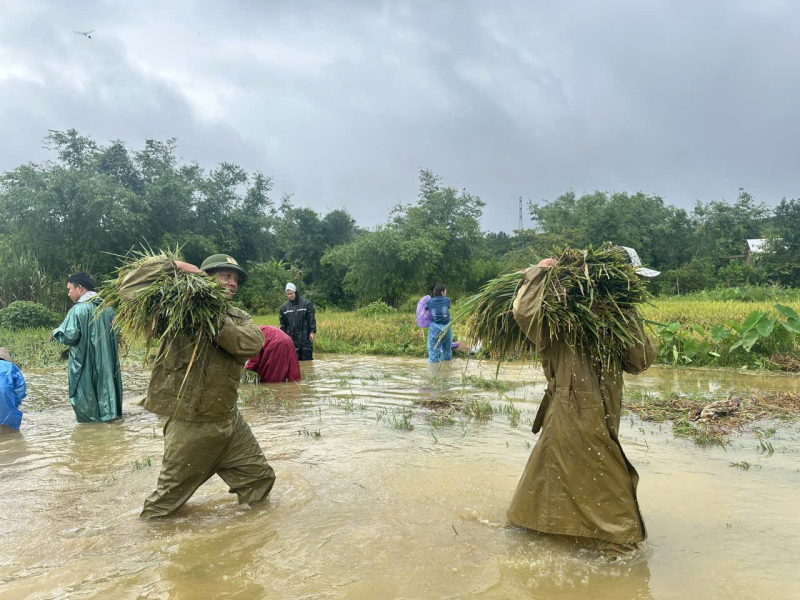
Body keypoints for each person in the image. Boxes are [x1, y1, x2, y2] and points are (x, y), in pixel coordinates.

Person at [506, 247, 658, 558]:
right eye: (633, 283)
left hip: (599, 412)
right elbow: (524, 313)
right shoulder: (560, 316)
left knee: (552, 472)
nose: (637, 290)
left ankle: (532, 529)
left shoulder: (616, 320)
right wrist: (538, 273)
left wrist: (624, 315)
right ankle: (618, 550)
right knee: (619, 514)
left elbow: (640, 360)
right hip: (572, 410)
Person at [119, 253, 275, 518]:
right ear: (205, 278)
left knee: (259, 479)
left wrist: (210, 316)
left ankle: (248, 533)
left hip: (229, 422)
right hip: (191, 423)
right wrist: (175, 266)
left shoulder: (238, 317)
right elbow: (128, 289)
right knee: (164, 506)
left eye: (235, 279)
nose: (233, 283)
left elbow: (251, 344)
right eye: (226, 276)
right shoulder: (176, 311)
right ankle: (148, 542)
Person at [52, 272, 123, 423]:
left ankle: (91, 424)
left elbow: (69, 336)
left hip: (87, 363)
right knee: (106, 386)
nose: (68, 293)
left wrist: (56, 333)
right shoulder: (107, 308)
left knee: (86, 394)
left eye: (69, 289)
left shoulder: (78, 310)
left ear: (80, 288)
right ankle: (109, 417)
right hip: (106, 361)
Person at [279, 283, 316, 361]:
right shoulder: (284, 307)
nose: (290, 296)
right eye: (288, 294)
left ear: (295, 292)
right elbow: (283, 324)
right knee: (293, 360)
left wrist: (312, 331)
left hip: (305, 336)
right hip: (291, 337)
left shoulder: (306, 304)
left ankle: (308, 372)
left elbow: (311, 318)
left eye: (291, 293)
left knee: (307, 359)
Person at [0, 347, 26, 432]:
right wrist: (15, 404)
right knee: (9, 431)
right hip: (4, 403)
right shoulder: (10, 367)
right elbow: (20, 389)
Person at [426, 284, 452, 363]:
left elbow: (426, 309)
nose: (446, 292)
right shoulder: (447, 300)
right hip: (446, 327)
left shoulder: (430, 301)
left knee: (433, 350)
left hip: (435, 328)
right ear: (442, 292)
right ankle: (446, 367)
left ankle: (434, 371)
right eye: (445, 290)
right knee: (447, 350)